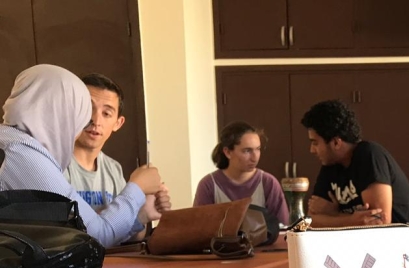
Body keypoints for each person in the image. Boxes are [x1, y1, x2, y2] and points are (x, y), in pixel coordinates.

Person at [0, 65, 162, 247]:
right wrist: (138, 188)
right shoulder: (21, 155)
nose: (92, 121)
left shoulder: (11, 144)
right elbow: (95, 237)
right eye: (81, 113)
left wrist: (140, 214)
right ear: (59, 111)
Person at [64, 73, 170, 240]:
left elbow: (128, 237)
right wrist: (136, 188)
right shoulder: (55, 163)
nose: (96, 120)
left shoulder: (113, 168)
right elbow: (76, 236)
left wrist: (143, 214)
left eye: (106, 113)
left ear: (118, 123)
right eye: (88, 108)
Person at [301, 100, 409, 226]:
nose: (312, 150)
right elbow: (310, 221)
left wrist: (334, 214)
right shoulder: (330, 165)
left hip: (408, 242)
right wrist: (351, 220)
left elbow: (379, 222)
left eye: (315, 143)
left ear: (336, 143)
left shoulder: (369, 154)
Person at [193, 121, 288, 225]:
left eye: (258, 149)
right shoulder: (209, 185)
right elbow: (199, 228)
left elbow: (282, 228)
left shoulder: (268, 183)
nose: (255, 157)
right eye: (247, 151)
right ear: (228, 152)